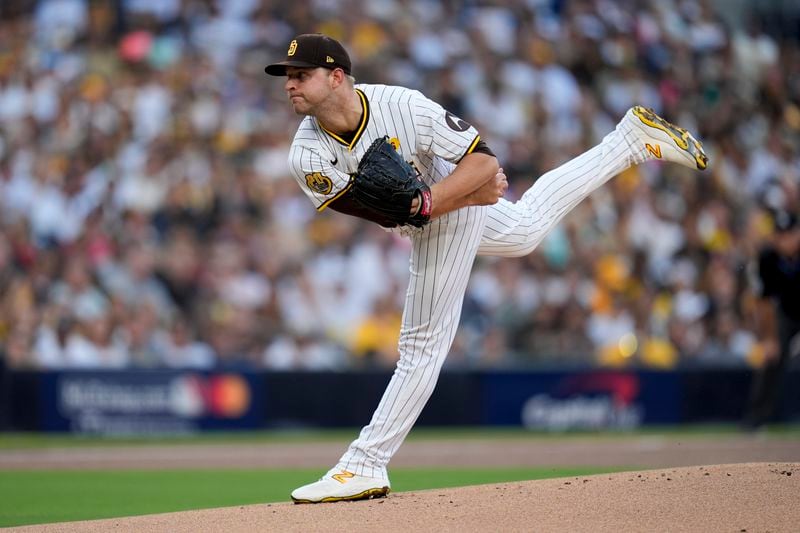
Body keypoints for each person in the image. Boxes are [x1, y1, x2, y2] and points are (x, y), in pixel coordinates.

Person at [265, 33, 708, 503]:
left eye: (301, 75)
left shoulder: (403, 106)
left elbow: (482, 160)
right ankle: (629, 142)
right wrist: (457, 197)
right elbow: (391, 213)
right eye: (288, 77)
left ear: (336, 77)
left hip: (446, 206)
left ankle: (364, 464)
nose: (290, 85)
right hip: (437, 209)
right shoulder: (306, 155)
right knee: (525, 229)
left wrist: (442, 198)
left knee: (420, 347)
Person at [743, 209, 800, 430]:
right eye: (780, 235)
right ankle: (756, 419)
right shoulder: (767, 258)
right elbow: (764, 302)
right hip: (785, 313)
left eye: (789, 234)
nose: (784, 240)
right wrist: (769, 338)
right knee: (770, 359)